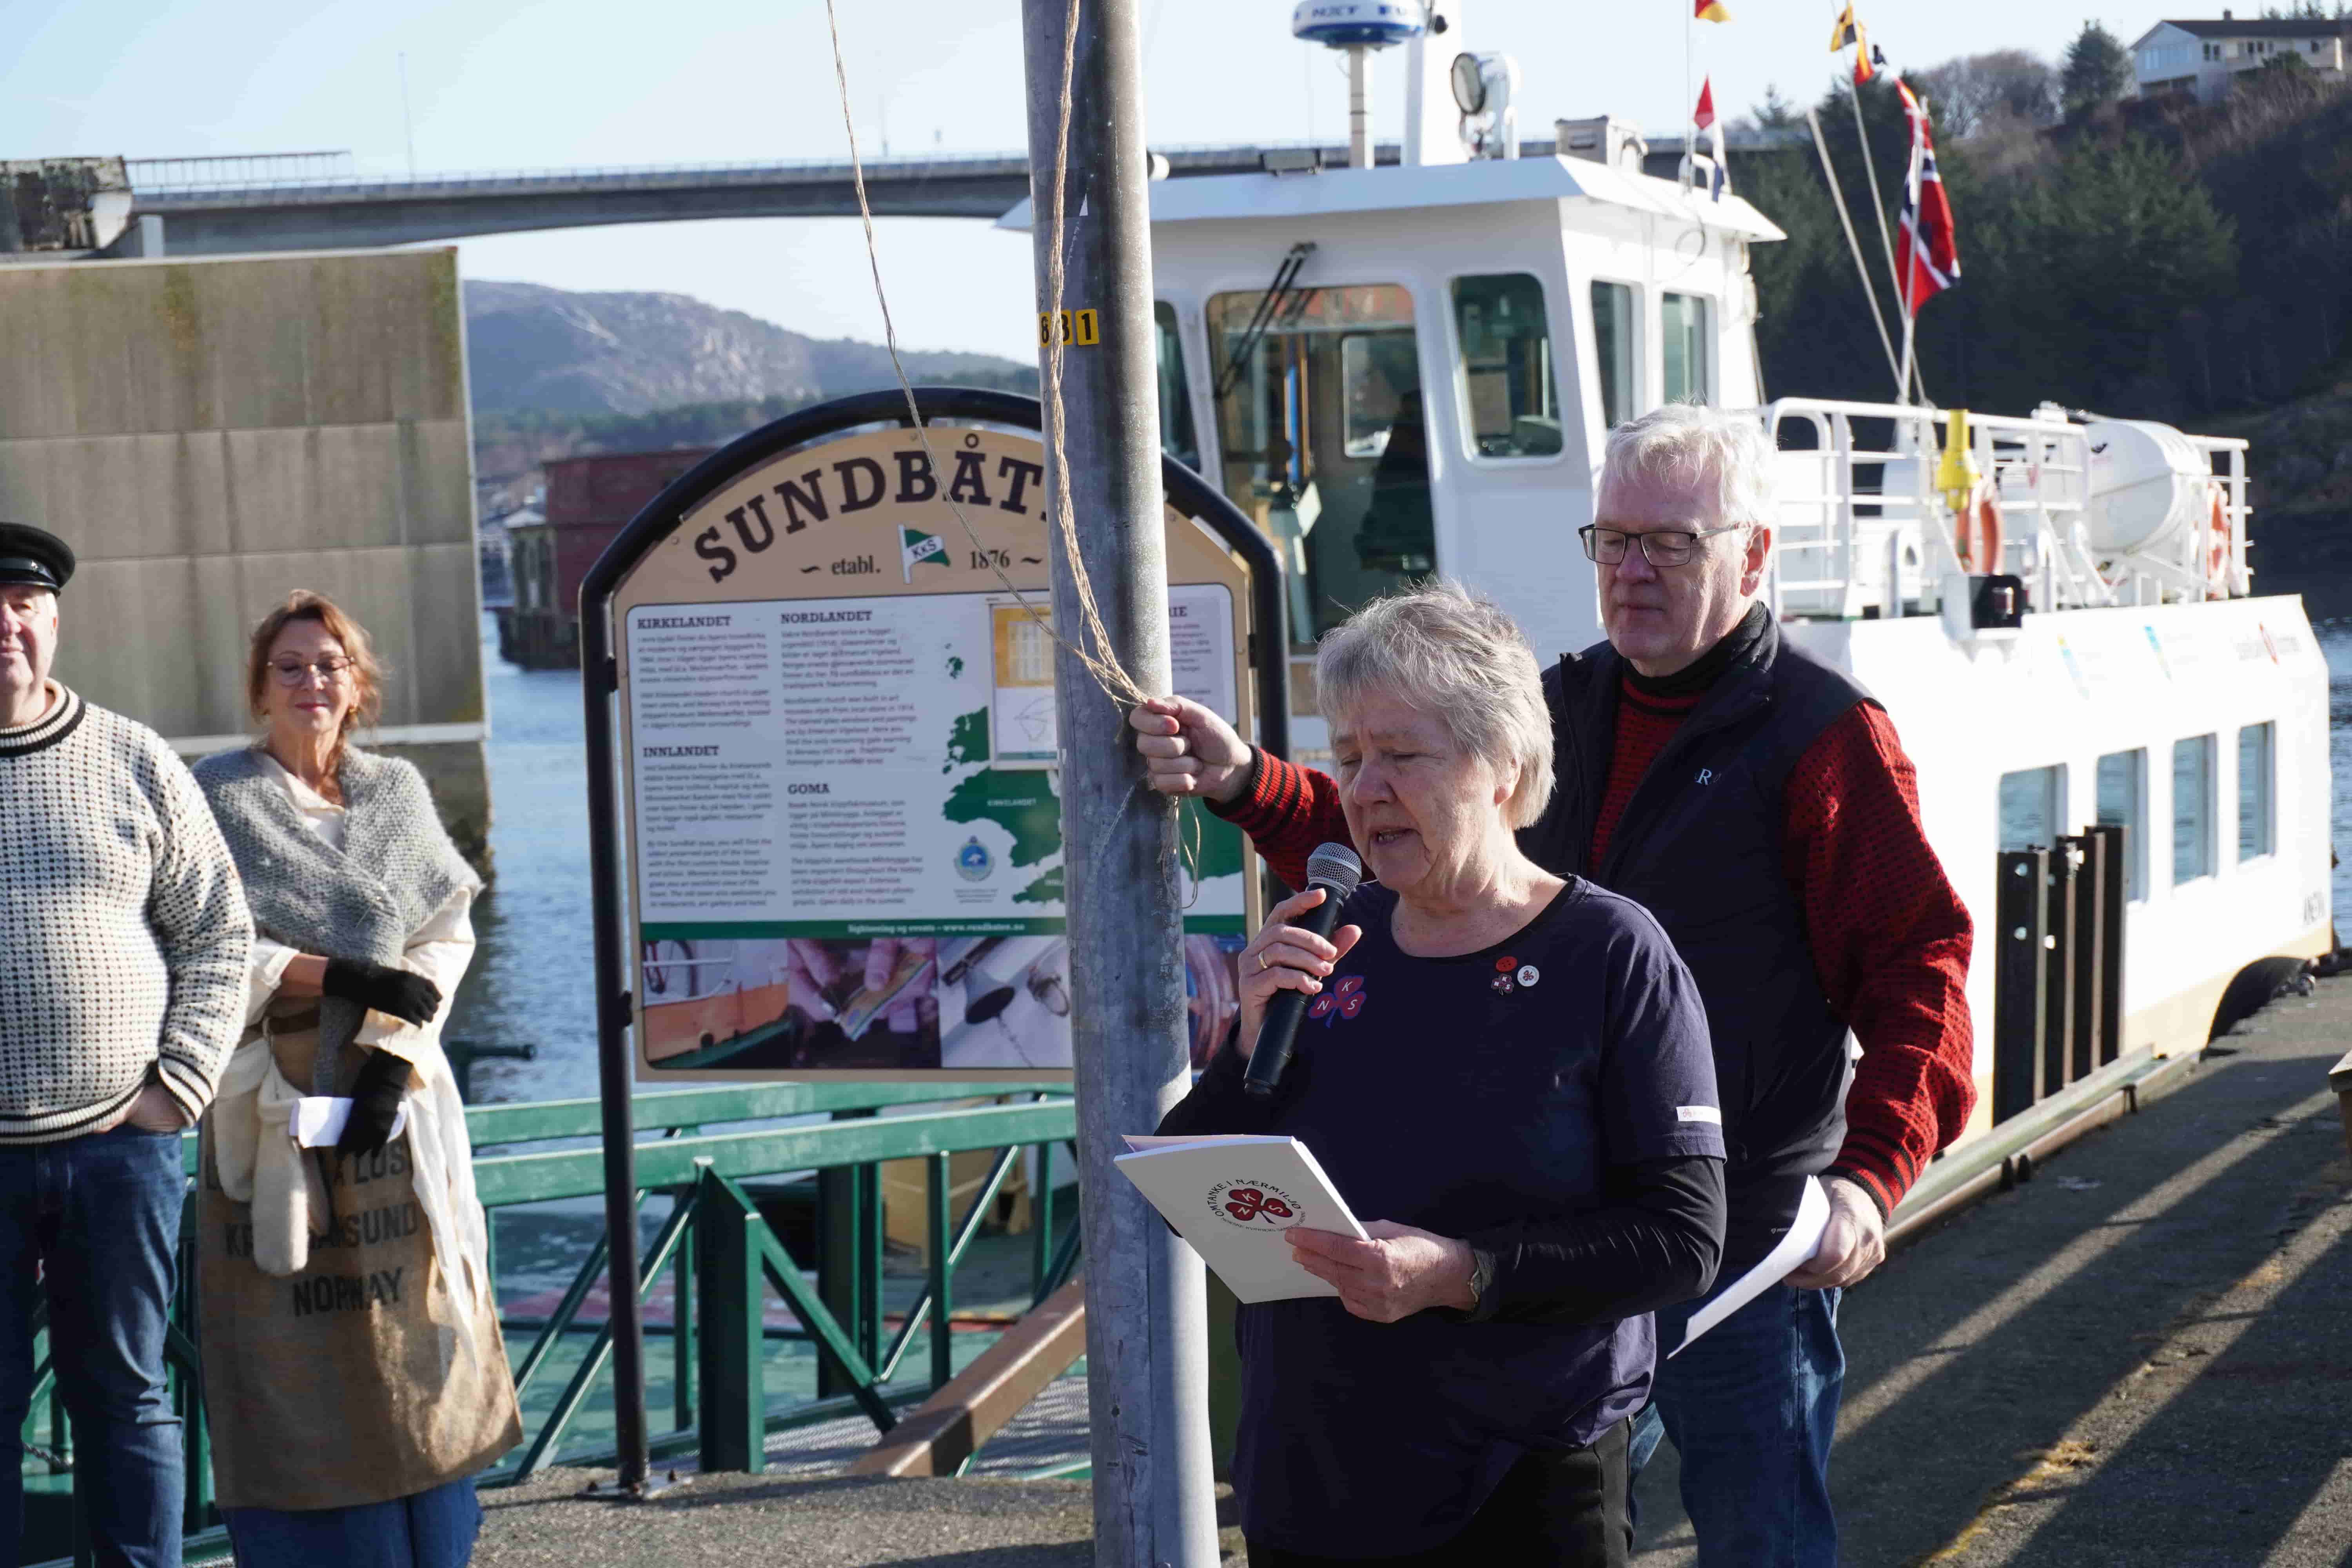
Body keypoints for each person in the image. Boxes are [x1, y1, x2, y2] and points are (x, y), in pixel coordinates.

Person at [1131, 404, 1977, 1566]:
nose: (1633, 570)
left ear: (1754, 555)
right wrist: (1249, 785)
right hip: (1548, 1256)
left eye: (1671, 544)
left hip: (1735, 1247)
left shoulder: (1823, 738)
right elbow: (1421, 838)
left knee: (1759, 1537)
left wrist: (1875, 1176)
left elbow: (1917, 965)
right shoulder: (1565, 701)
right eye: (1613, 539)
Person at [1157, 582, 1726, 1566]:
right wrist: (1246, 1045)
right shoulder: (1329, 939)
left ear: (1503, 766)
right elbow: (1188, 1183)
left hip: (1521, 1478)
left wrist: (1462, 1274)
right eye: (1348, 757)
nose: (1365, 787)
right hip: (1314, 1473)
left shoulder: (1611, 953)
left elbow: (1682, 1236)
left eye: (1402, 754)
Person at [191, 592, 520, 1568]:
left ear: (357, 682)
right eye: (290, 665)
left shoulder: (397, 792)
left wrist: (396, 1053)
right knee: (288, 1323)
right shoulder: (220, 795)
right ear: (261, 684)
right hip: (271, 1099)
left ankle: (434, 1526)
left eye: (329, 663)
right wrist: (328, 973)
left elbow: (443, 932)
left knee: (420, 1307)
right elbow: (204, 941)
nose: (311, 682)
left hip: (394, 1095)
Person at [0, 522, 251, 1568]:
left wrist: (180, 1084)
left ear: (54, 620)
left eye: (22, 604)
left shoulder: (133, 757)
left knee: (129, 1396)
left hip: (122, 1144)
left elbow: (218, 930)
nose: (4, 626)